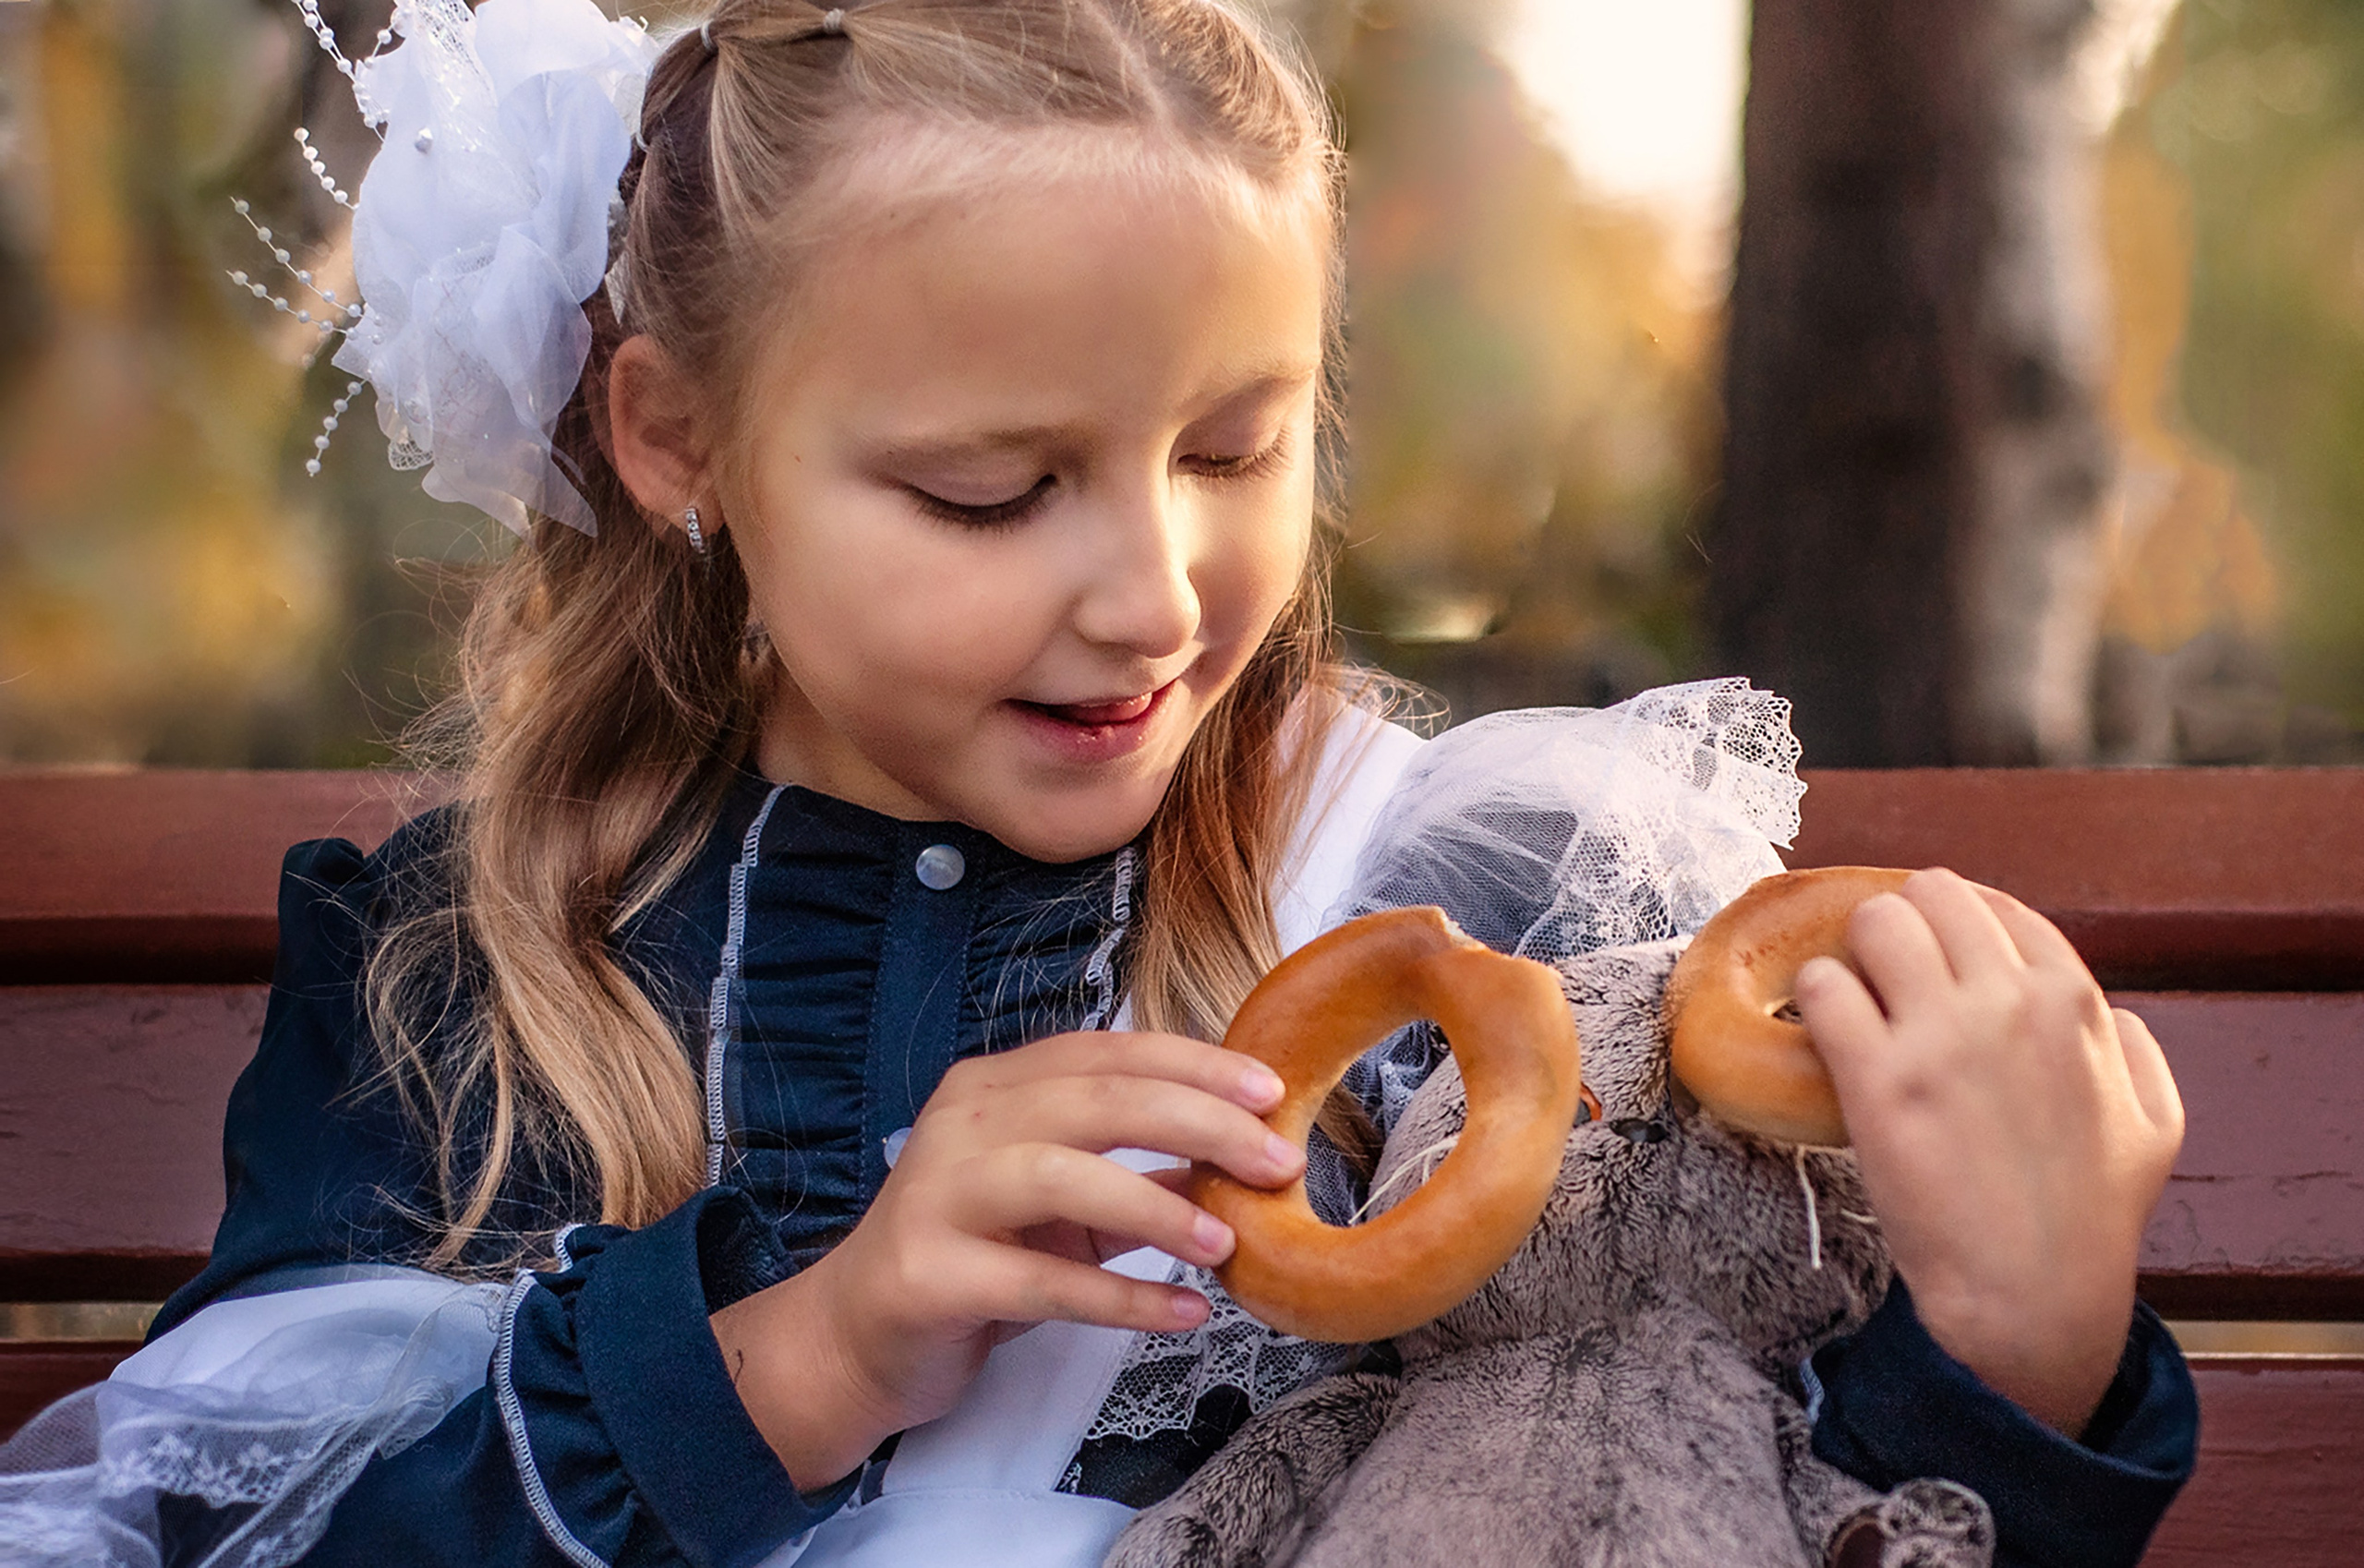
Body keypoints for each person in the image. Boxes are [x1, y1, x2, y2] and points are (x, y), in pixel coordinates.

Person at [0, 0, 2196, 1564]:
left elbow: (1669, 1489)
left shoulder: (1473, 901)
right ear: (678, 441)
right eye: (988, 491)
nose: (1152, 595)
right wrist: (814, 1347)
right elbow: (214, 1533)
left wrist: (2015, 1353)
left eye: (1234, 451)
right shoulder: (457, 994)